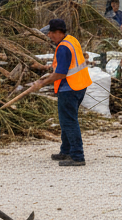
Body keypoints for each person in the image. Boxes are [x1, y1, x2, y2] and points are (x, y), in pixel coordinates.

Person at [31, 19, 92, 166]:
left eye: (51, 33)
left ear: (59, 32)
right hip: (80, 85)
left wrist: (42, 83)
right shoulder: (72, 40)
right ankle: (66, 151)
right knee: (67, 121)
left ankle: (77, 156)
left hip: (69, 88)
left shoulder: (64, 47)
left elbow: (61, 73)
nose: (49, 36)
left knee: (69, 122)